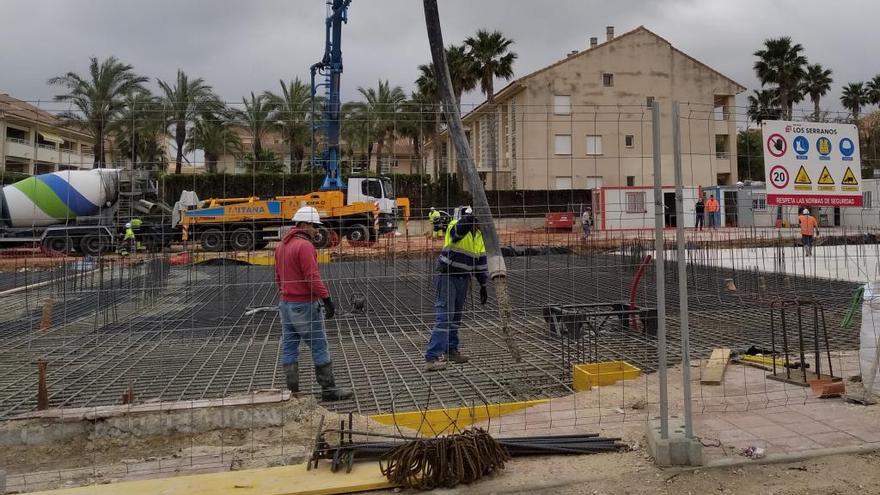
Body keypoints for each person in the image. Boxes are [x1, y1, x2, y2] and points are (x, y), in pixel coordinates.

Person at [275, 206, 352, 401]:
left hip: (285, 305)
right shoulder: (305, 246)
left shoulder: (281, 246)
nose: (318, 230)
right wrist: (327, 299)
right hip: (305, 305)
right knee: (319, 345)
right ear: (304, 224)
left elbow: (278, 277)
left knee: (289, 347)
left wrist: (287, 296)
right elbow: (312, 277)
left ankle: (293, 392)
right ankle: (328, 390)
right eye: (315, 226)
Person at [424, 207, 489, 371]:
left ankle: (451, 350)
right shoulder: (455, 225)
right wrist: (470, 219)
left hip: (463, 279)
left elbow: (480, 262)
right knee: (444, 317)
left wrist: (483, 284)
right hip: (448, 276)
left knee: (455, 318)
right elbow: (458, 232)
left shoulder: (479, 236)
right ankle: (432, 358)